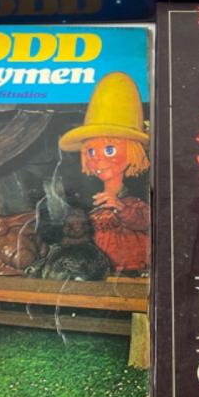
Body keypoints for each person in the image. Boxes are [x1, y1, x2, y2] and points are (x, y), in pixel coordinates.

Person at [58, 72, 150, 275]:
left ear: (133, 152)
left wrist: (120, 207)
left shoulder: (137, 202)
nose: (96, 159)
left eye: (109, 150)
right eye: (90, 152)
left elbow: (147, 222)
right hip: (99, 272)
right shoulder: (91, 203)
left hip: (132, 271)